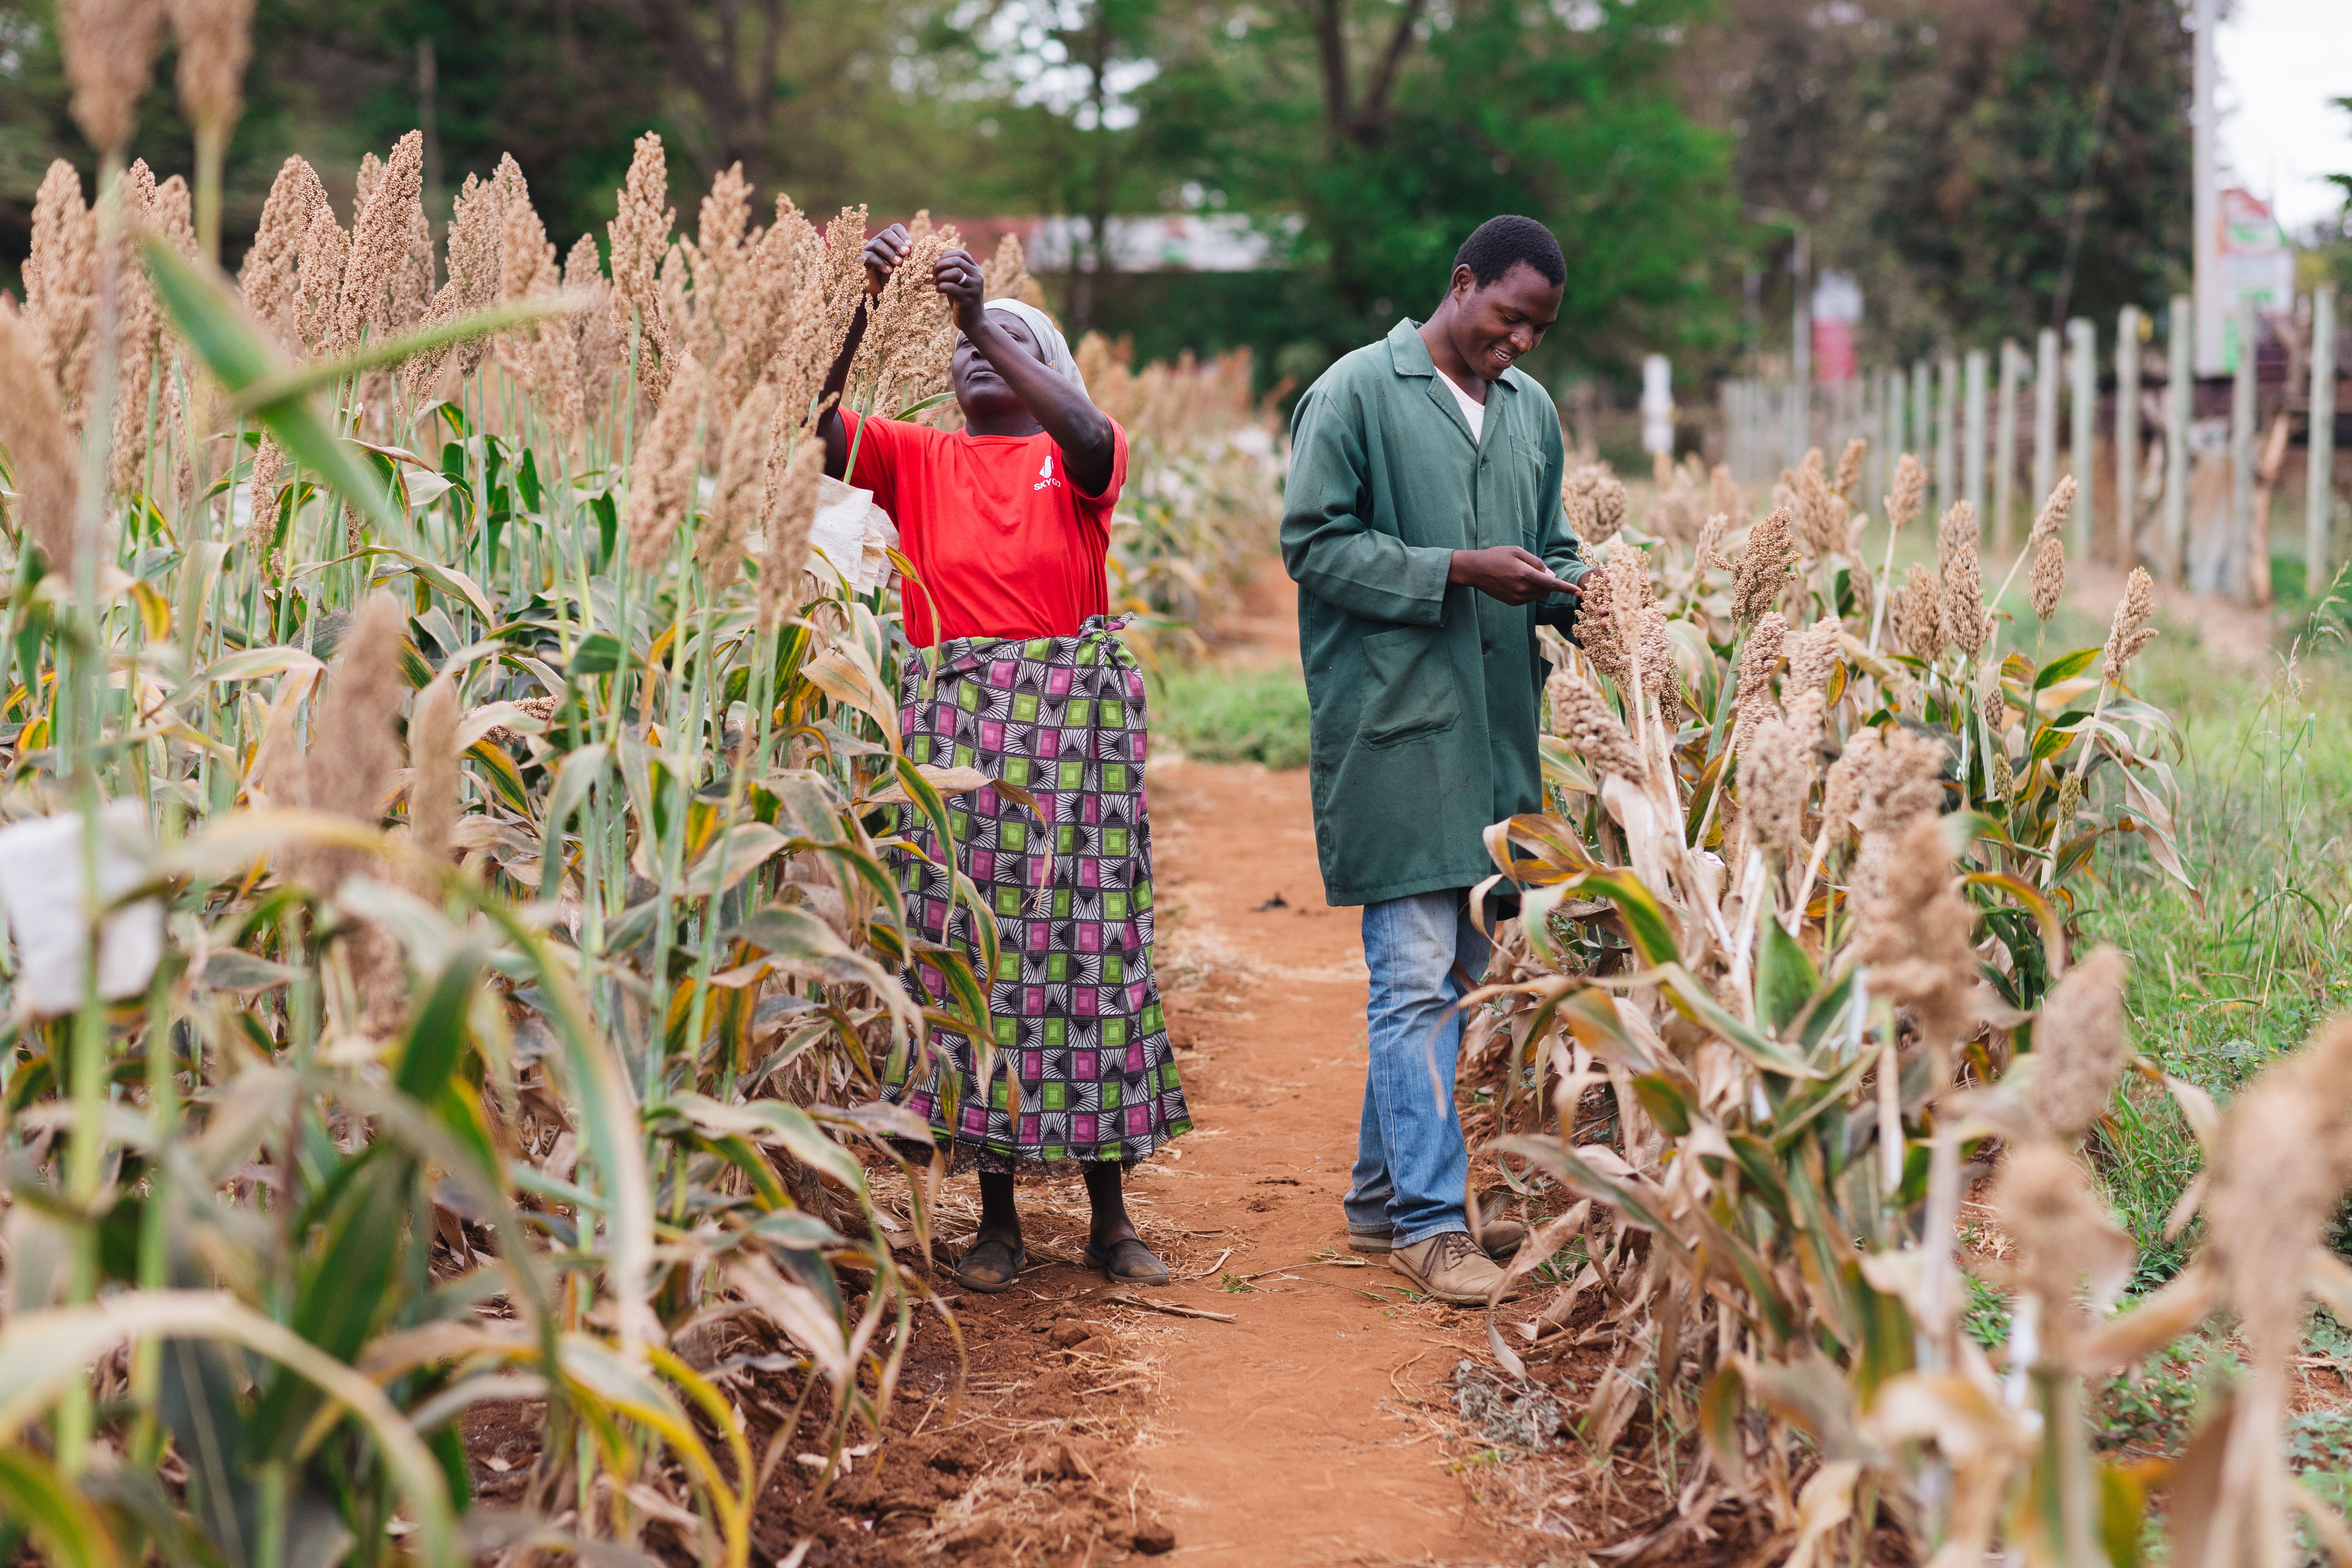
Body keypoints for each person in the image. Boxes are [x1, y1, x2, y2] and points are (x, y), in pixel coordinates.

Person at [820, 225, 1191, 1294]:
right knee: (977, 966)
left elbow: (1086, 434)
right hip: (957, 745)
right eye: (967, 347)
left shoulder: (1077, 457)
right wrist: (866, 300)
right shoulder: (915, 456)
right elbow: (810, 426)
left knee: (1093, 959)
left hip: (1074, 741)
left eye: (1013, 343)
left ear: (1048, 367)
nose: (979, 355)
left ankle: (1112, 1219)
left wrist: (985, 313)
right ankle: (998, 1222)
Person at [1280, 215, 1592, 1307]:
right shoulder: (1356, 393)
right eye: (1510, 321)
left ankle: (1379, 1195)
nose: (1520, 348)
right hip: (1397, 728)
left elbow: (1553, 541)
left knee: (1459, 976)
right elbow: (1312, 546)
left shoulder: (1529, 412)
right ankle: (1426, 1221)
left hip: (1501, 732)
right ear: (1463, 286)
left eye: (1539, 333)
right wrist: (1457, 569)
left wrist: (1581, 595)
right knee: (1413, 975)